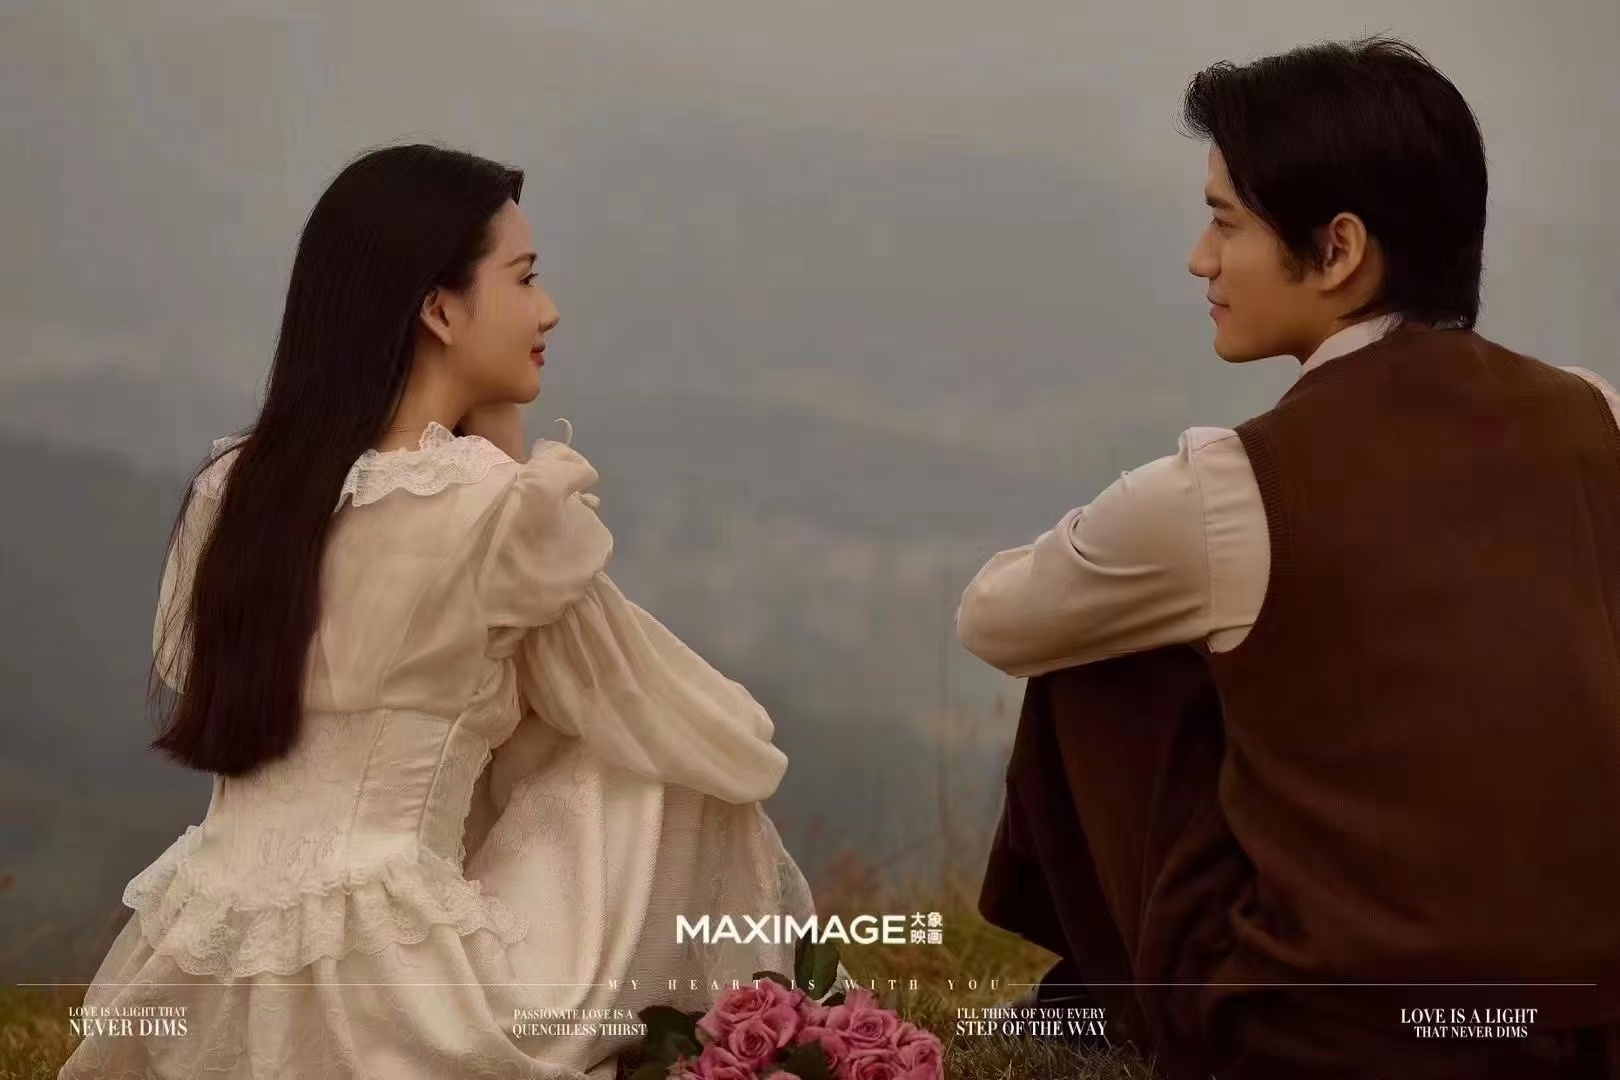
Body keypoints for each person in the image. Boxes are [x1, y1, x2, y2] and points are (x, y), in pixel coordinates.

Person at [59, 143, 821, 1080]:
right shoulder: (496, 512)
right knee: (661, 768)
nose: (548, 310)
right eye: (525, 278)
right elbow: (701, 725)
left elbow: (192, 667)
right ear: (439, 309)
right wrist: (506, 463)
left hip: (207, 961)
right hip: (406, 993)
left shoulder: (235, 490)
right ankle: (729, 1041)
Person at [959, 36, 1620, 1079]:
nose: (1201, 258)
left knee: (1103, 651)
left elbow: (996, 619)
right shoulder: (1595, 418)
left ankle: (1089, 1003)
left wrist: (1162, 568)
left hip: (1323, 1041)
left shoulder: (1235, 486)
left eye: (1227, 222)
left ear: (1339, 248)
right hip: (1574, 1031)